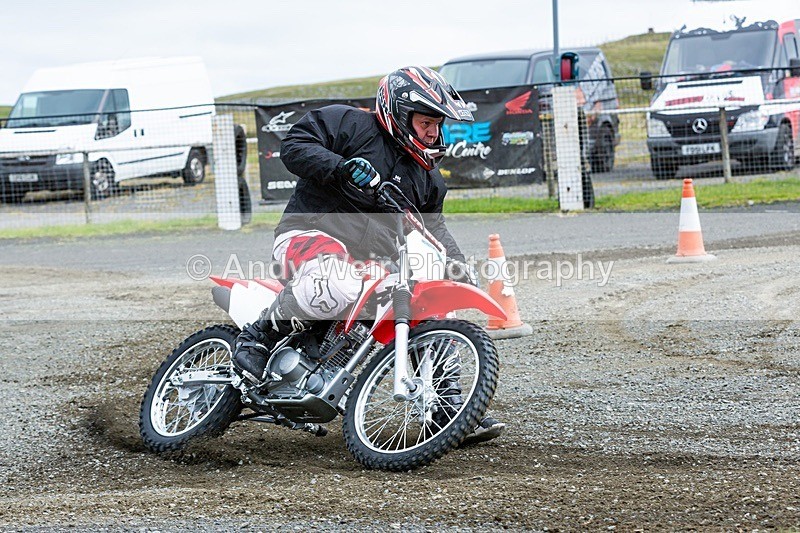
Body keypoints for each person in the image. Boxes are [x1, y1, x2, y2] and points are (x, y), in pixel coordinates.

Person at [232, 66, 504, 444]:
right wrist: (340, 167)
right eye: (426, 122)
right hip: (308, 234)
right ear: (399, 113)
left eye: (437, 124)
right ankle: (258, 337)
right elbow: (294, 144)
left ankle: (448, 409)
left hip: (371, 262)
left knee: (433, 305)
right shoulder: (349, 123)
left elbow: (434, 228)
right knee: (337, 281)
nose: (433, 132)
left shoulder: (427, 178)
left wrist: (455, 264)